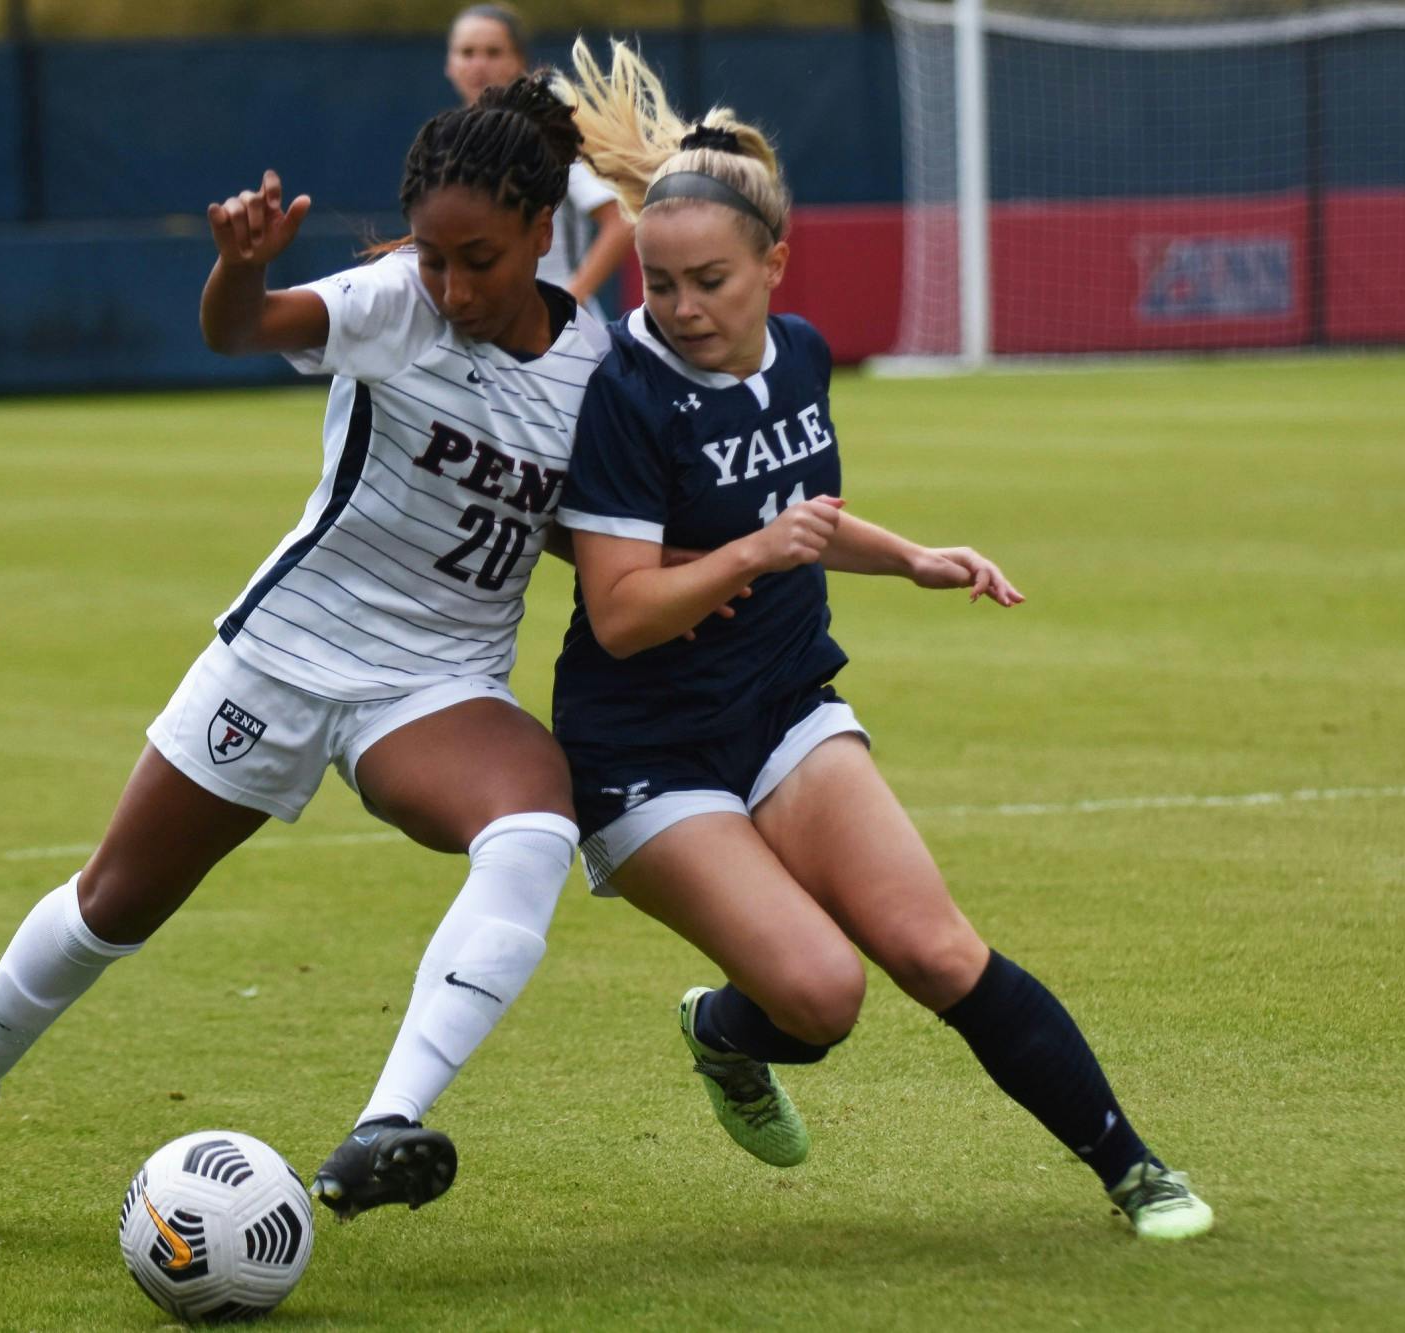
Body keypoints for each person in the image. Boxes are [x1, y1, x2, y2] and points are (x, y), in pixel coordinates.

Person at [0, 75, 611, 1238]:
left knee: (532, 827)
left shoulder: (591, 366)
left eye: (480, 260)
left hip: (437, 685)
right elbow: (239, 330)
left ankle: (383, 1123)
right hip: (288, 655)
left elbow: (572, 527)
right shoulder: (389, 302)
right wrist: (241, 266)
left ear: (539, 230)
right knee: (111, 906)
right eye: (433, 255)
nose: (453, 286)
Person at [550, 39, 1215, 1241]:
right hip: (644, 744)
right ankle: (722, 1029)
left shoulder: (799, 357)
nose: (684, 309)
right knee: (820, 994)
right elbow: (621, 611)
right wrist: (758, 553)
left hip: (780, 704)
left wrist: (906, 555)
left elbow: (801, 516)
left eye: (709, 281)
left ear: (773, 266)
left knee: (933, 947)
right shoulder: (625, 398)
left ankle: (1133, 1170)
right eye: (660, 286)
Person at [445, 4, 633, 320]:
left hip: (556, 330)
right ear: (449, 64)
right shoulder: (445, 142)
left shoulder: (548, 134)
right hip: (482, 326)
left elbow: (621, 220)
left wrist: (568, 298)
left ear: (520, 62)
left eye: (493, 52)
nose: (478, 65)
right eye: (467, 52)